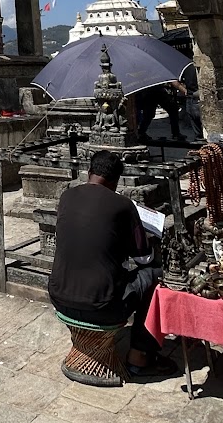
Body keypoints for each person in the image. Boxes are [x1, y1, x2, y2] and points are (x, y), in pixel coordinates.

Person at [47, 149, 175, 378]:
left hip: (59, 297)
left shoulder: (67, 196)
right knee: (155, 273)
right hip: (102, 308)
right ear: (116, 181)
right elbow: (143, 258)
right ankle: (139, 355)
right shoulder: (123, 205)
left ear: (89, 173)